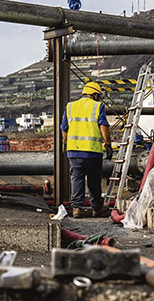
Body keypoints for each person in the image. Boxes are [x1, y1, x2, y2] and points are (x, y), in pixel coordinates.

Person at [60, 82, 112, 218]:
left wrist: (67, 144)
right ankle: (97, 208)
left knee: (77, 178)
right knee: (94, 180)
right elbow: (103, 126)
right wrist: (108, 143)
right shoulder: (97, 106)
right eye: (98, 95)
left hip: (74, 151)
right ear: (94, 94)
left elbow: (64, 129)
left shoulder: (70, 106)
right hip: (92, 151)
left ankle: (77, 208)